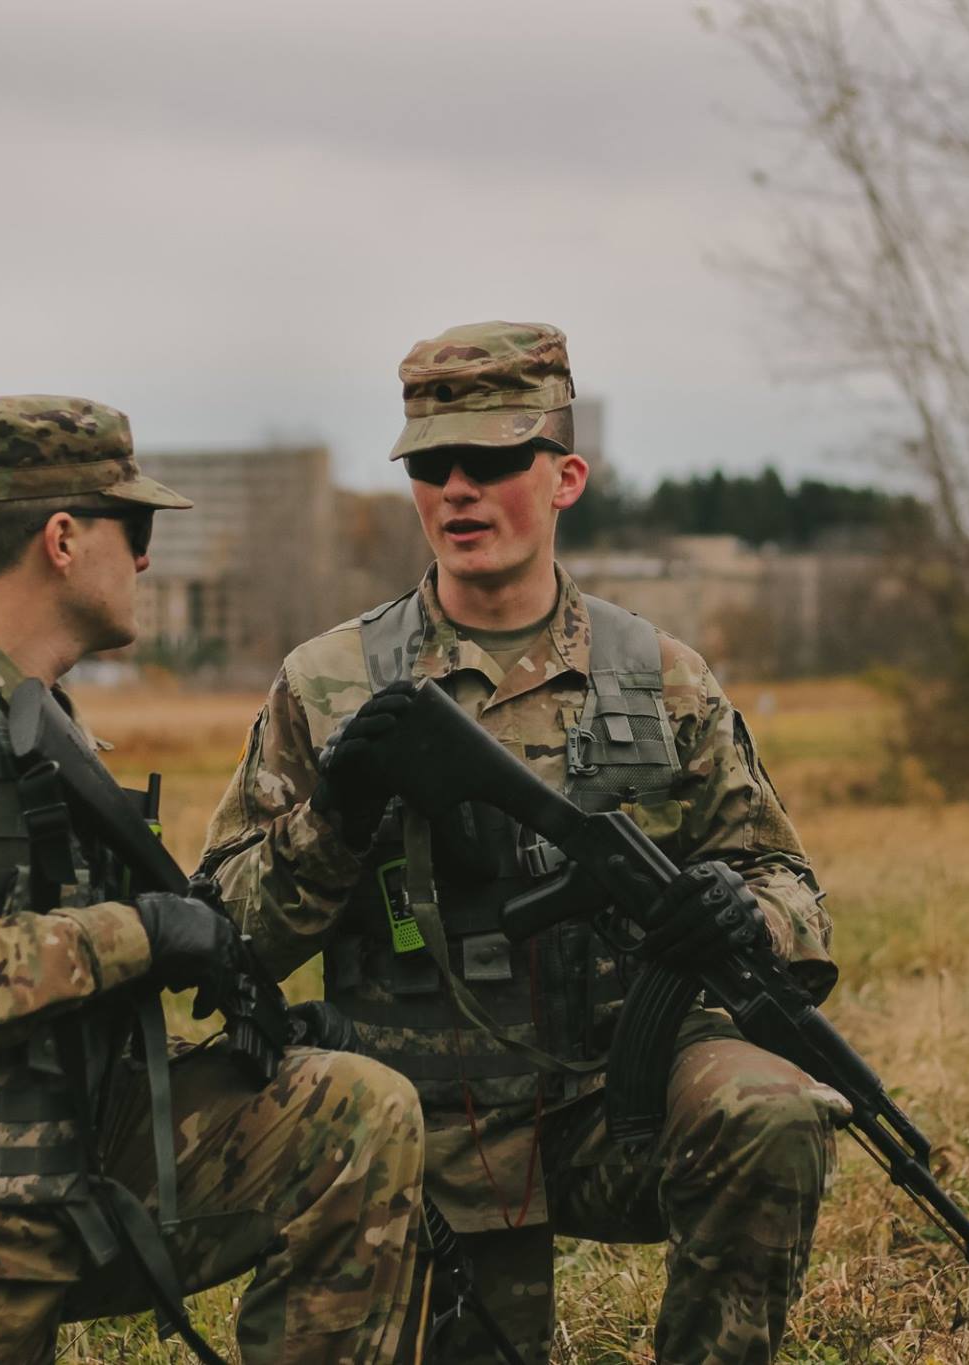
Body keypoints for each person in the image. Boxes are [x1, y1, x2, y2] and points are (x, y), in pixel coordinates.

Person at [201, 324, 847, 1365]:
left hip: (613, 1107)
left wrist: (744, 912)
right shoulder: (327, 684)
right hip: (415, 1121)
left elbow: (792, 890)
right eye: (428, 464)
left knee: (769, 1112)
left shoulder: (660, 676)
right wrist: (336, 817)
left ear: (565, 476)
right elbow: (225, 938)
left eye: (493, 460)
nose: (457, 490)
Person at [0, 395, 424, 1364]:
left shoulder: (23, 717)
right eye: (132, 527)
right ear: (62, 538)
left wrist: (245, 1040)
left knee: (350, 1111)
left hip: (45, 1154)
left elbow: (49, 976)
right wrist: (144, 933)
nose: (145, 559)